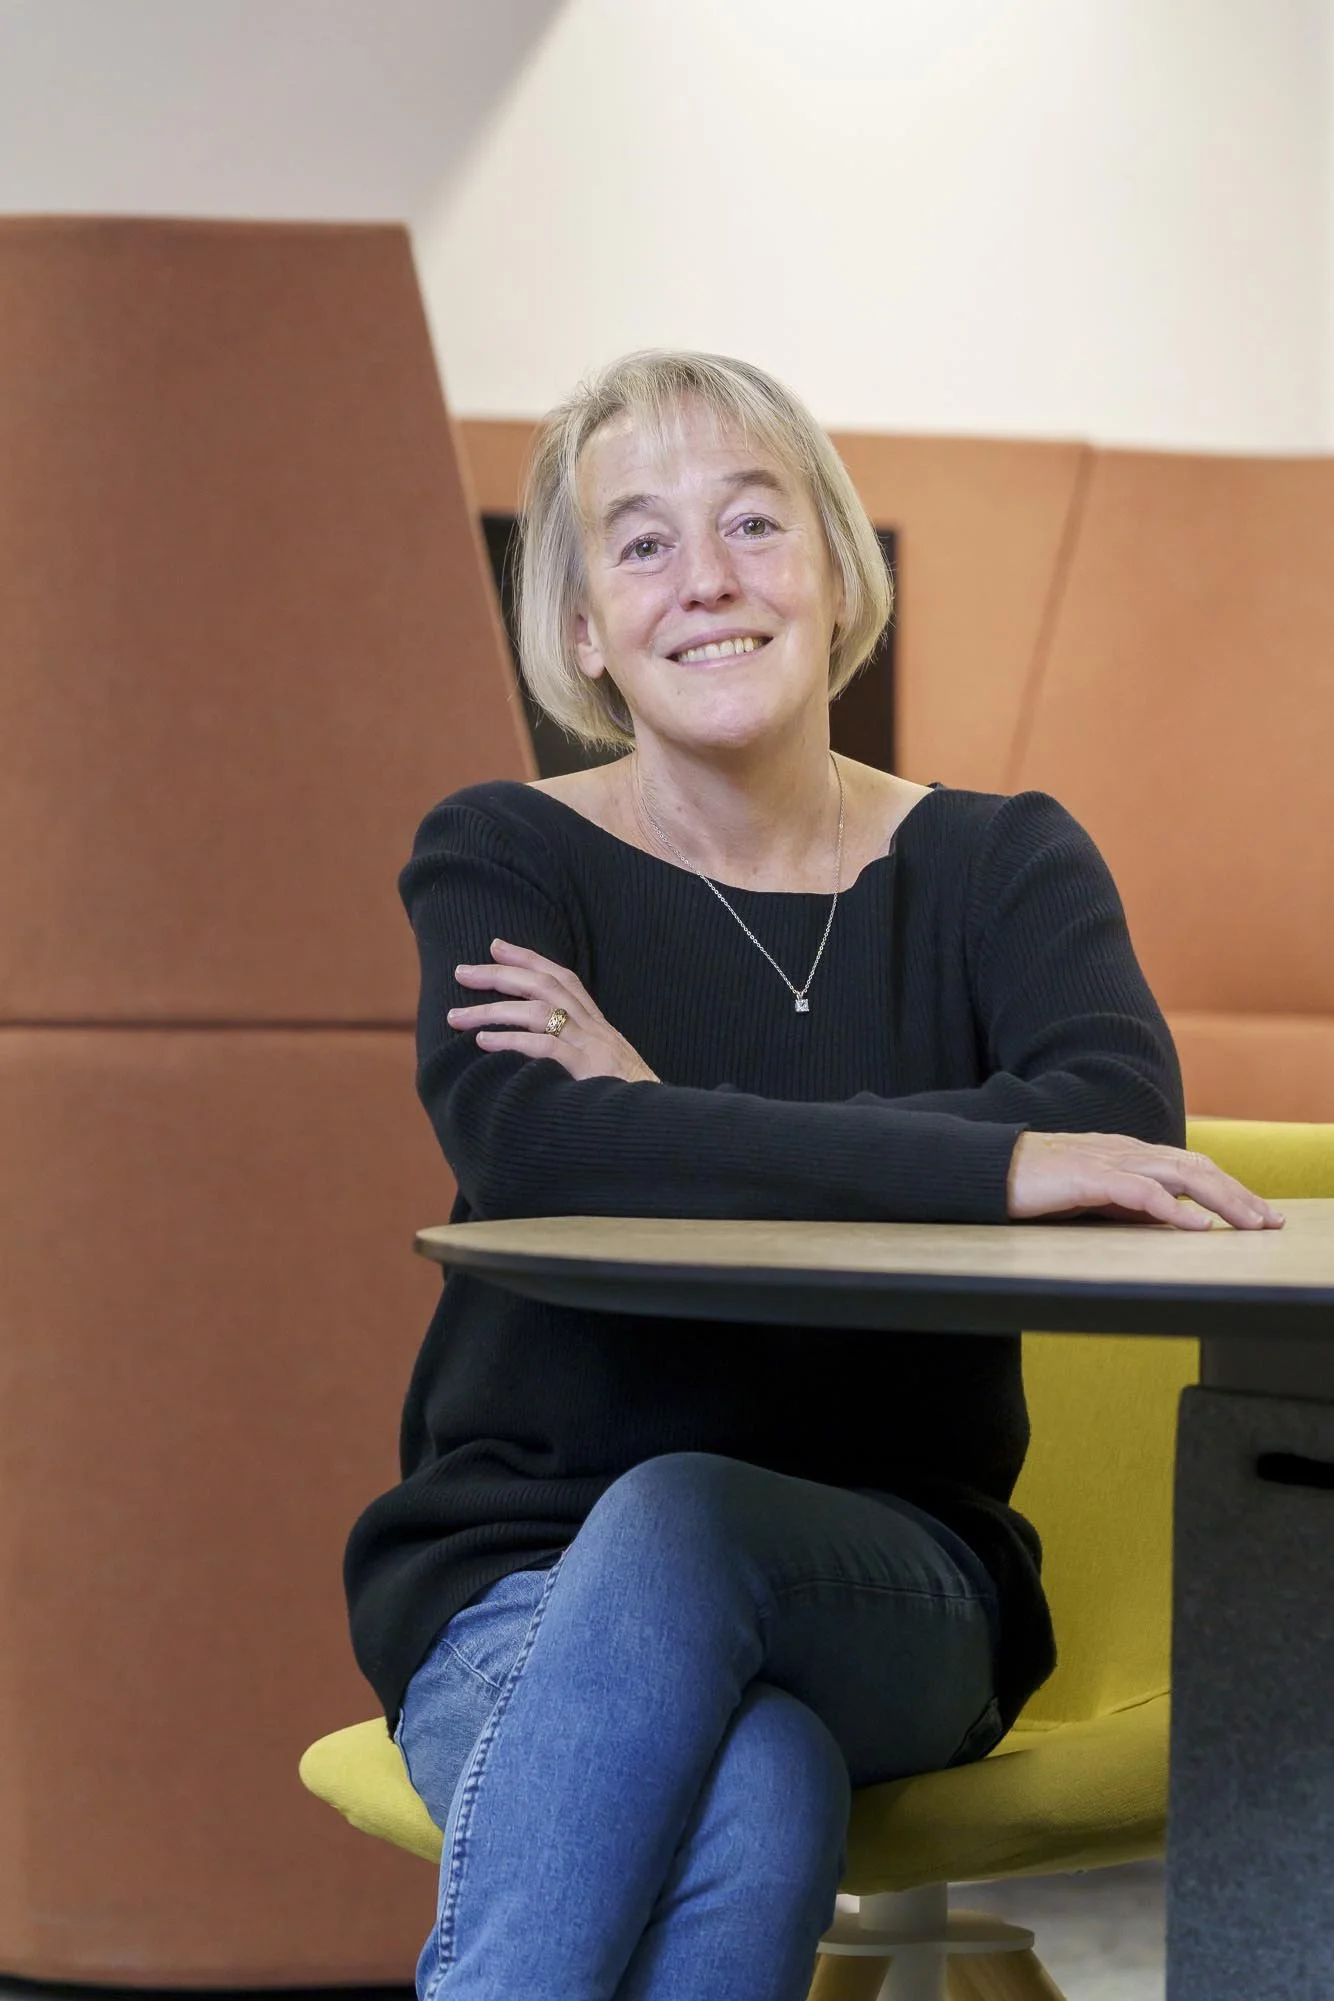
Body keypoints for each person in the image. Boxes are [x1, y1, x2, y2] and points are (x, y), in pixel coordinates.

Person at [342, 351, 1283, 2001]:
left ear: (841, 572)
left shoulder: (1003, 865)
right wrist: (986, 1148)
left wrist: (662, 1107)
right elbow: (534, 1140)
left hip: (893, 1578)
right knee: (763, 1779)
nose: (705, 580)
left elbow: (1113, 1116)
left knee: (689, 1516)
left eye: (754, 523)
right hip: (514, 1576)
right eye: (638, 544)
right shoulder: (503, 853)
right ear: (581, 632)